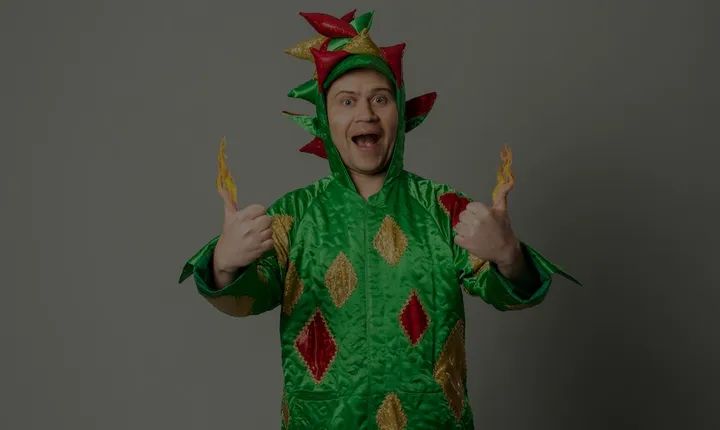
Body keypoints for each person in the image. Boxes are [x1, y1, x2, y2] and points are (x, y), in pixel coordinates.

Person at [178, 9, 579, 429]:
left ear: (399, 113)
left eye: (380, 98)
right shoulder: (293, 216)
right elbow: (246, 300)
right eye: (346, 100)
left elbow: (510, 293)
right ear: (324, 118)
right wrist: (224, 264)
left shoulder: (443, 208)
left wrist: (509, 255)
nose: (366, 113)